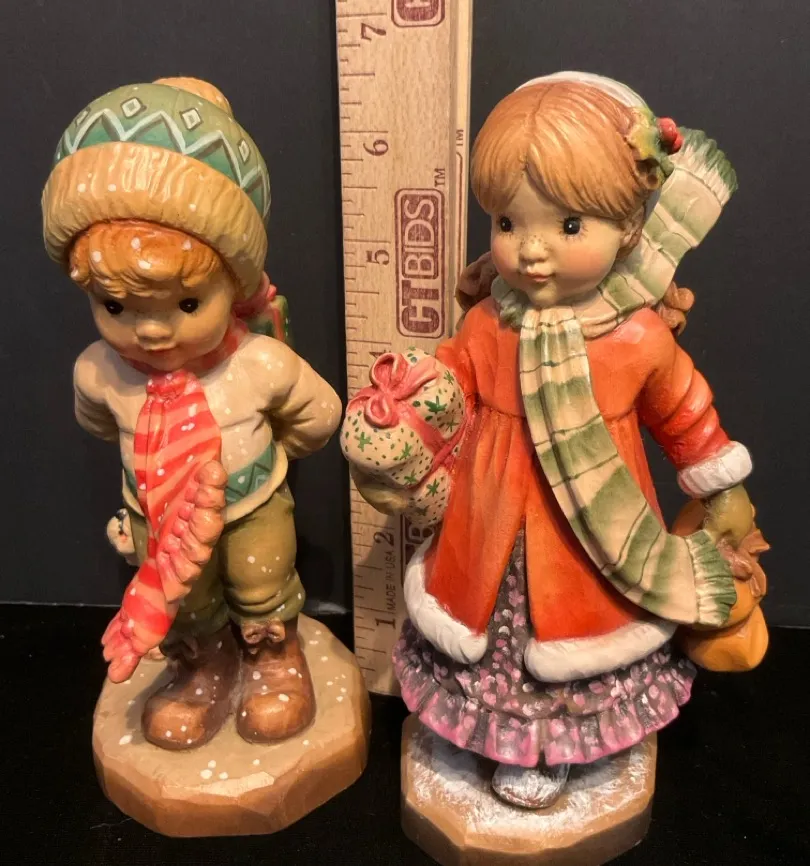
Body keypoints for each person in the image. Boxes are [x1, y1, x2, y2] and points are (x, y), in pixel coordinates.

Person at [43, 77, 340, 750]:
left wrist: (274, 455)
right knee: (186, 603)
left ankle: (274, 662)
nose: (151, 331)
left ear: (233, 283)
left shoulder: (259, 365)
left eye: (185, 305)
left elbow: (319, 416)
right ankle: (202, 670)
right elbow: (98, 422)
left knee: (261, 582)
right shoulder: (100, 372)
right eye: (116, 307)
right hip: (156, 512)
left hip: (250, 508)